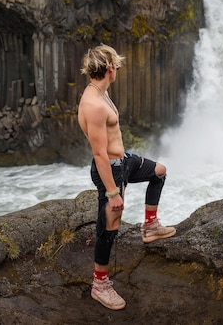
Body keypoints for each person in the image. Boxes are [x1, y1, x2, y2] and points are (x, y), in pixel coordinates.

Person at [78, 44, 176, 310]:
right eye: (117, 66)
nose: (118, 70)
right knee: (108, 229)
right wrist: (112, 192)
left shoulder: (100, 92)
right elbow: (99, 154)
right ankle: (100, 285)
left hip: (124, 161)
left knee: (159, 172)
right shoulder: (94, 104)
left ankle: (150, 226)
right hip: (111, 170)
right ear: (109, 68)